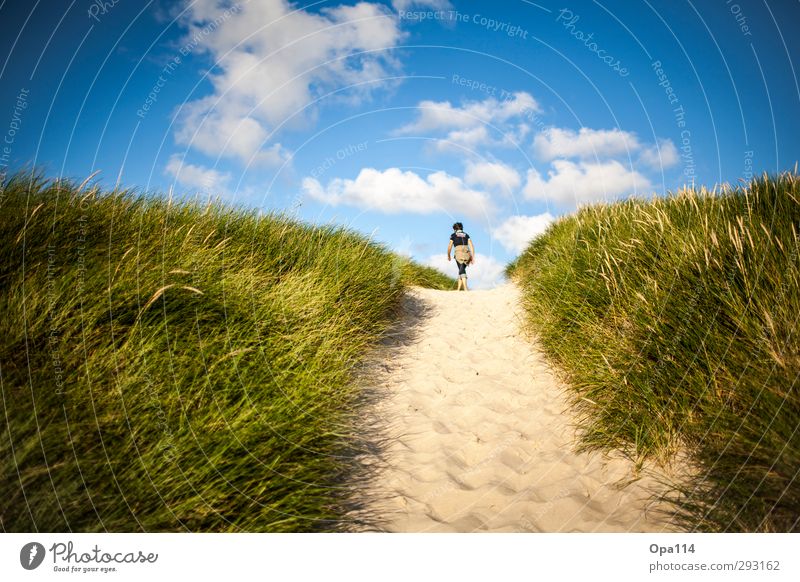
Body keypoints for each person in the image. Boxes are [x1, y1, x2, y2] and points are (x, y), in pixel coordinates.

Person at [447, 222, 475, 291]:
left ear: (454, 229)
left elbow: (450, 246)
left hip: (458, 252)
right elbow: (471, 246)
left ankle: (465, 288)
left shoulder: (453, 235)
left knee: (462, 270)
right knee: (461, 269)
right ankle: (458, 289)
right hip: (467, 253)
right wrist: (472, 256)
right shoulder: (466, 235)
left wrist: (448, 255)